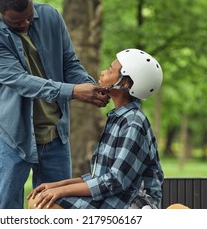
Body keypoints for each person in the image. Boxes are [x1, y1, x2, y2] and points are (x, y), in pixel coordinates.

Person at [0, 0, 110, 209]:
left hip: (55, 132)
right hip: (12, 134)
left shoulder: (50, 17)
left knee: (58, 207)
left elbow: (69, 63)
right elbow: (21, 81)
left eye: (29, 15)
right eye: (17, 21)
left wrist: (88, 86)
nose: (26, 23)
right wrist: (75, 92)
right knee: (4, 208)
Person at [27, 48, 164, 209]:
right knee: (39, 198)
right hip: (114, 197)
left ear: (125, 84)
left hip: (133, 203)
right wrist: (56, 186)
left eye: (110, 70)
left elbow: (115, 181)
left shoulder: (133, 122)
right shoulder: (118, 118)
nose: (103, 72)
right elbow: (98, 176)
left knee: (43, 205)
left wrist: (62, 192)